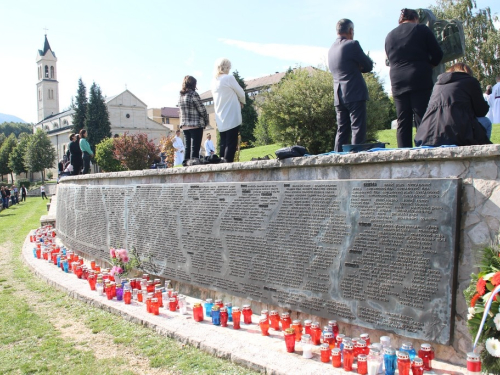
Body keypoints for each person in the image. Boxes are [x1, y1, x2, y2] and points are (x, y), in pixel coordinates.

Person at [385, 8, 443, 148]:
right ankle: (423, 149)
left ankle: (403, 154)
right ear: (416, 18)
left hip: (397, 79)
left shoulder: (390, 35)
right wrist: (430, 65)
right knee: (421, 116)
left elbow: (389, 58)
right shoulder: (421, 29)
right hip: (418, 77)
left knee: (403, 120)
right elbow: (438, 54)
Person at [415, 63, 491, 147]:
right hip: (457, 132)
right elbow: (481, 111)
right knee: (486, 122)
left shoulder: (438, 84)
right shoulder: (470, 82)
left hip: (428, 135)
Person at [328, 19, 373, 152]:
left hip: (338, 95)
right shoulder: (352, 44)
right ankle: (355, 158)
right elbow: (368, 65)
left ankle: (336, 158)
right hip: (354, 92)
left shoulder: (331, 50)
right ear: (350, 31)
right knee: (357, 128)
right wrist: (359, 66)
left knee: (342, 130)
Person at [212, 58, 246, 162]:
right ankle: (228, 164)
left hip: (220, 115)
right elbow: (241, 93)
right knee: (231, 142)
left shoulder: (214, 81)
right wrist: (242, 102)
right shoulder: (229, 78)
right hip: (231, 114)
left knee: (223, 142)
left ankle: (222, 163)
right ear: (227, 67)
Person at [178, 75, 209, 164]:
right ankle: (194, 166)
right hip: (195, 124)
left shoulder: (180, 96)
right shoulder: (193, 94)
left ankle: (185, 165)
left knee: (187, 147)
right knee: (195, 148)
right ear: (193, 84)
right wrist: (206, 121)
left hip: (185, 125)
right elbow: (201, 109)